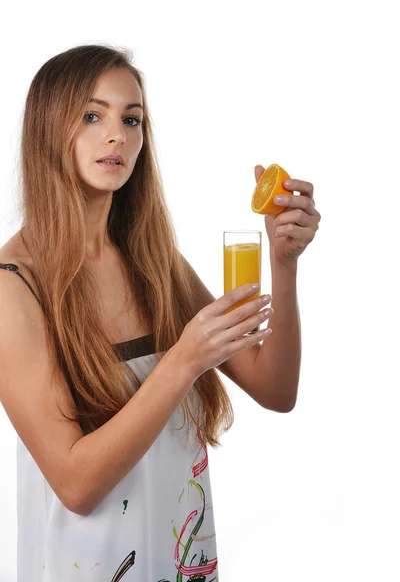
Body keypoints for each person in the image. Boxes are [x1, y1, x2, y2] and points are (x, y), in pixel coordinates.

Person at [0, 43, 321, 581]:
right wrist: (183, 360)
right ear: (48, 129)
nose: (117, 136)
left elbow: (276, 388)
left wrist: (283, 265)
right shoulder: (14, 287)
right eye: (91, 115)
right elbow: (76, 485)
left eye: (132, 119)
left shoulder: (154, 263)